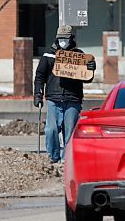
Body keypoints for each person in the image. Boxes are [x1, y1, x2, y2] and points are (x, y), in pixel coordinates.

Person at [33, 24, 96, 163]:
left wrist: (90, 68)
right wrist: (38, 94)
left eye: (65, 38)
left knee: (70, 132)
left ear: (70, 38)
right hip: (53, 98)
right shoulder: (49, 55)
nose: (63, 41)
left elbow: (87, 78)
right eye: (60, 38)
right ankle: (53, 156)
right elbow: (39, 76)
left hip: (73, 99)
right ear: (57, 38)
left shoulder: (79, 55)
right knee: (51, 130)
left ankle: (67, 160)